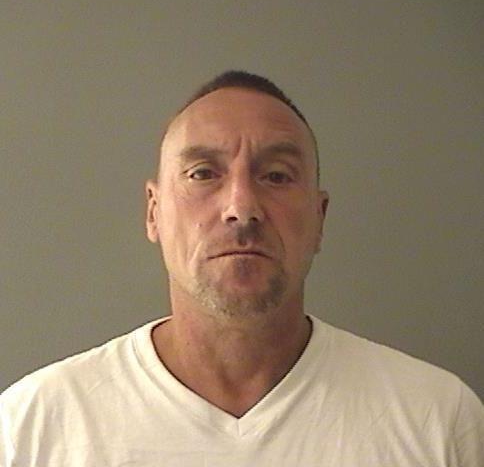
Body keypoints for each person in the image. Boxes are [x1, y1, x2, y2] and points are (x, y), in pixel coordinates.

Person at [1, 71, 483, 466]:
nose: (242, 207)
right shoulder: (33, 427)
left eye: (276, 175)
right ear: (154, 212)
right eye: (202, 174)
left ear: (319, 218)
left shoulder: (438, 421)